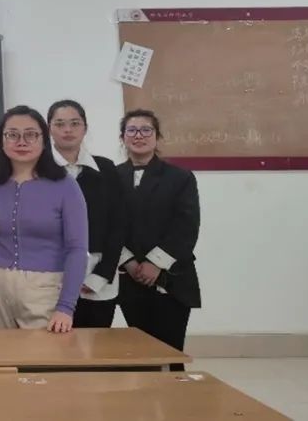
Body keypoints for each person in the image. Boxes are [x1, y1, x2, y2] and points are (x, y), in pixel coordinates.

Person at [0, 106, 88, 333]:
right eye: (12, 135)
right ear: (2, 141)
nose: (21, 142)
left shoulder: (65, 185)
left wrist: (66, 307)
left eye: (31, 134)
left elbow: (77, 249)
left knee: (42, 354)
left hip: (44, 289)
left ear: (44, 140)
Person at [116, 109, 201, 352]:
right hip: (129, 277)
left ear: (157, 136)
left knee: (169, 351)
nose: (138, 135)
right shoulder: (111, 176)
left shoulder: (180, 177)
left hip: (171, 277)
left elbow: (186, 226)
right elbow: (108, 225)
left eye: (146, 130)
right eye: (132, 130)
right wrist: (128, 262)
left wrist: (155, 262)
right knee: (140, 352)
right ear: (122, 137)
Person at [48, 99, 125, 329]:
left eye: (75, 123)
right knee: (53, 345)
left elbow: (118, 224)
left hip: (96, 275)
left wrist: (102, 274)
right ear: (49, 128)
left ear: (85, 128)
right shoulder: (37, 170)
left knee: (95, 344)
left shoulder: (106, 169)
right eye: (60, 124)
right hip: (50, 278)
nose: (67, 130)